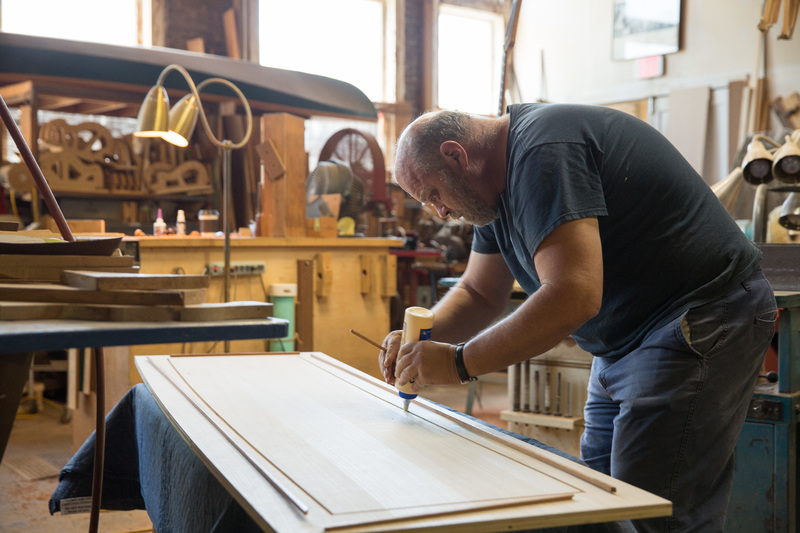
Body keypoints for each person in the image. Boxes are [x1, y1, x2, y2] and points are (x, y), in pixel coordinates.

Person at [379, 103, 777, 533]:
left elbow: (573, 296)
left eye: (434, 194)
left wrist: (458, 362)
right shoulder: (488, 193)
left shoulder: (542, 151)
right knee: (597, 502)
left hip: (695, 317)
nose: (439, 212)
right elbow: (478, 292)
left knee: (654, 514)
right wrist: (420, 339)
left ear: (456, 156)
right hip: (625, 338)